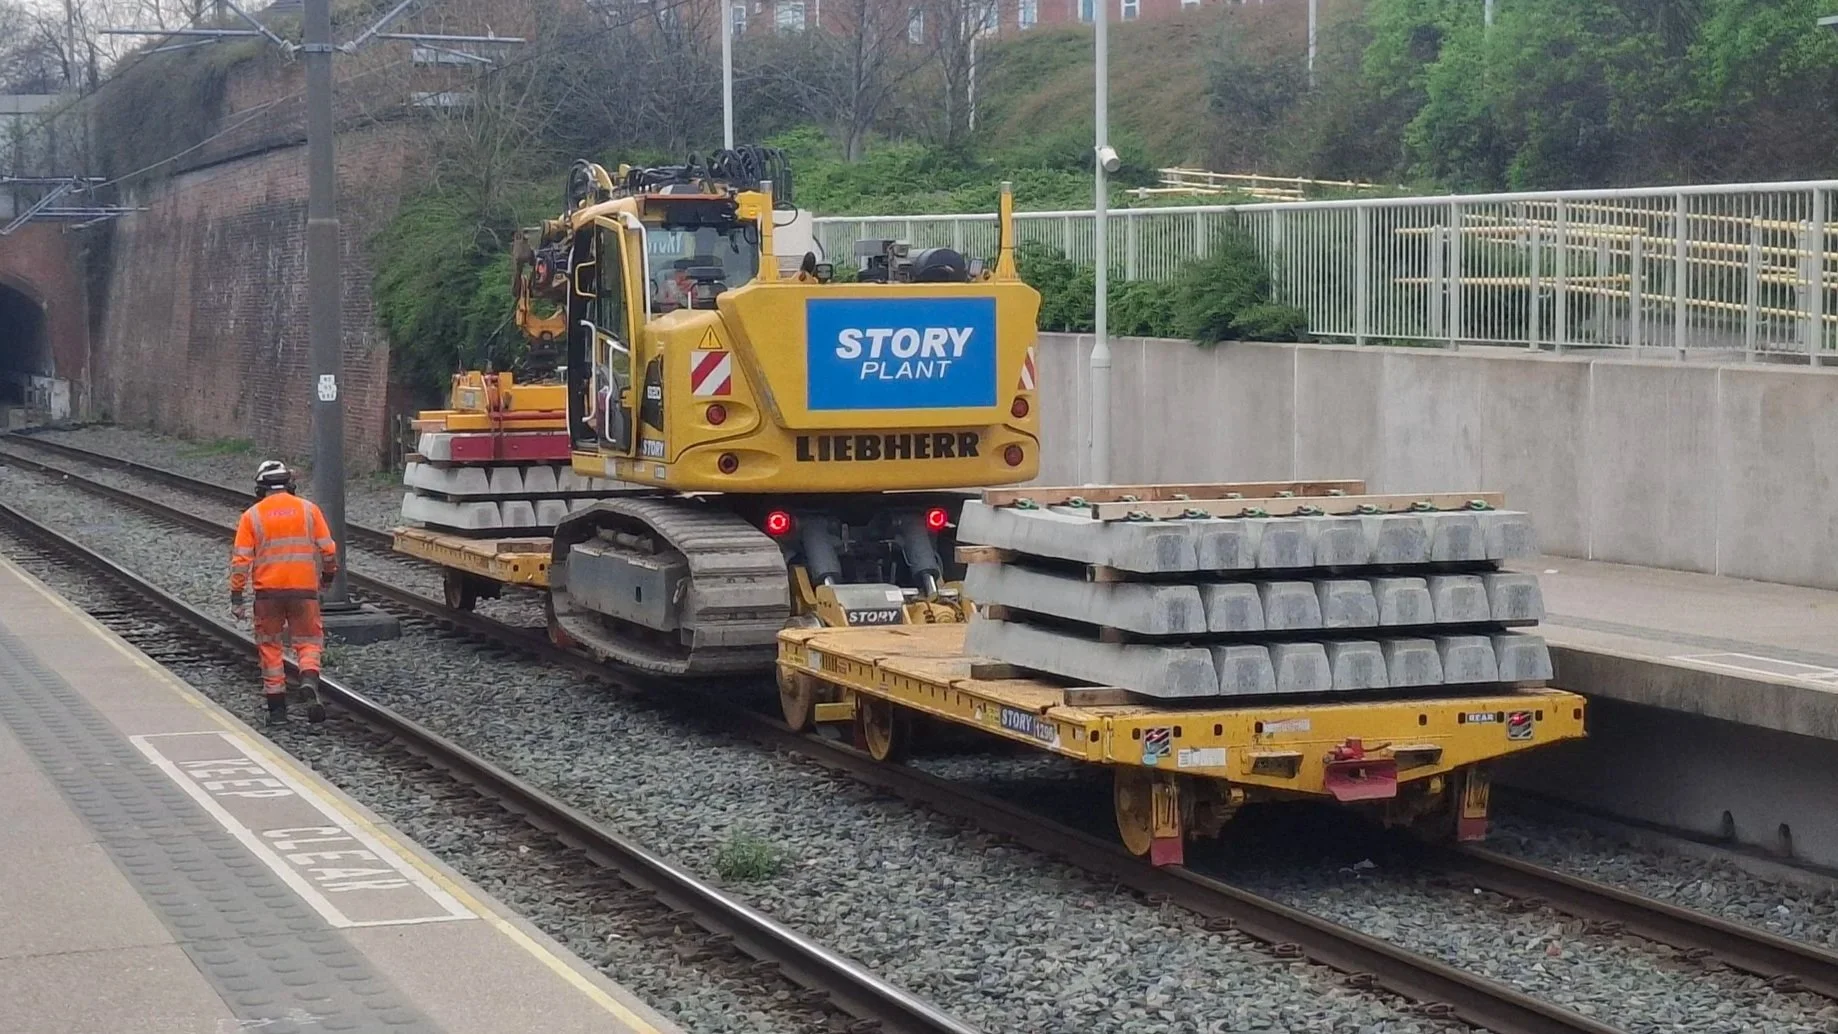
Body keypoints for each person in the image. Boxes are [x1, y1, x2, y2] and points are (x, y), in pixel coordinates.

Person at [229, 460, 339, 726]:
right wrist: (327, 577)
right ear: (291, 486)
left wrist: (237, 596)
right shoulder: (309, 510)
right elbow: (329, 550)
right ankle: (309, 678)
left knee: (270, 647)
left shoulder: (251, 516)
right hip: (304, 591)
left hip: (268, 594)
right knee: (309, 640)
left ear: (259, 489)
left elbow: (241, 561)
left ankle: (277, 710)